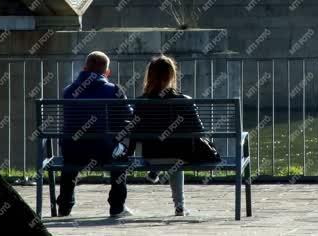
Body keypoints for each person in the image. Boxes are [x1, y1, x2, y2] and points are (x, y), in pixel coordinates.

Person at [134, 55, 218, 216]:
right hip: (179, 155)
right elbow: (198, 131)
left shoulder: (140, 102)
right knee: (177, 152)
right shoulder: (184, 100)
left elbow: (134, 132)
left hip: (151, 155)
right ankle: (179, 206)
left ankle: (155, 171)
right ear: (172, 76)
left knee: (168, 148)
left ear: (149, 76)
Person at [56, 51, 133, 218]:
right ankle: (117, 206)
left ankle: (64, 206)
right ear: (107, 72)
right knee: (121, 154)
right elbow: (129, 116)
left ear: (85, 68)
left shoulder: (68, 91)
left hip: (71, 151)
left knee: (71, 158)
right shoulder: (114, 90)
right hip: (102, 151)